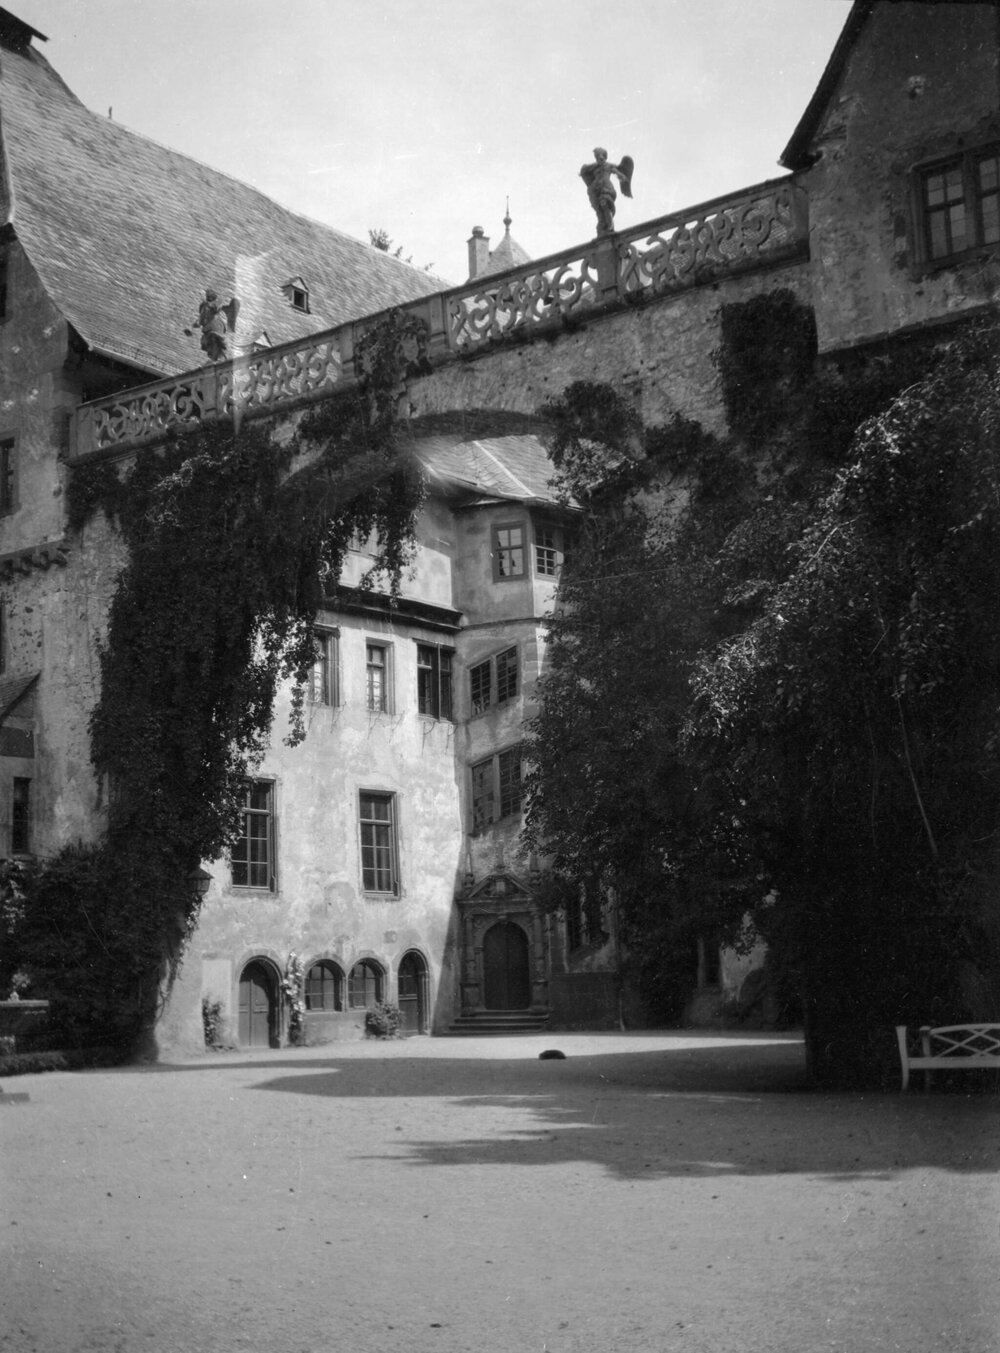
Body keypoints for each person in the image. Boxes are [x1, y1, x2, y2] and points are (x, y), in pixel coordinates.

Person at [580, 148, 634, 235]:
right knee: (599, 210)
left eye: (601, 156)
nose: (599, 159)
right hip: (596, 190)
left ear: (604, 157)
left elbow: (619, 172)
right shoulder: (594, 167)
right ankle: (602, 226)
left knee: (604, 204)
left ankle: (610, 227)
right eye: (597, 157)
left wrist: (622, 176)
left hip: (606, 188)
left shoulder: (608, 166)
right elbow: (584, 172)